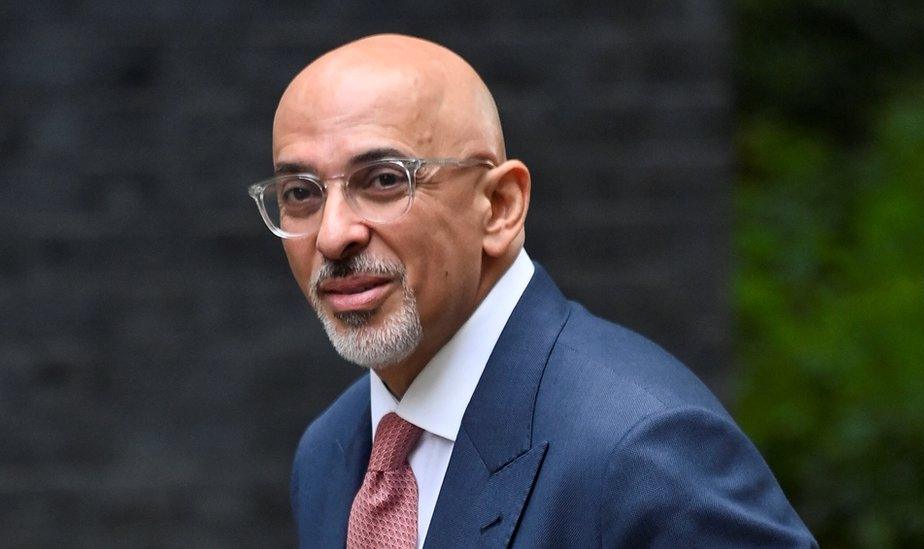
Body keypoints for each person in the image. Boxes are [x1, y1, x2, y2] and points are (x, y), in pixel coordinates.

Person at [249, 33, 816, 548]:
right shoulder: (331, 453)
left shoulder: (643, 449)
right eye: (300, 192)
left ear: (499, 207)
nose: (332, 234)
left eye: (384, 180)